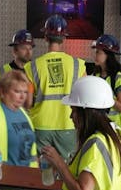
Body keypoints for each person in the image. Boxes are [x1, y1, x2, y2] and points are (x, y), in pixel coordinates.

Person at [28, 14, 84, 160]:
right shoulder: (78, 64)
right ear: (64, 38)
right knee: (66, 171)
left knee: (41, 172)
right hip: (68, 124)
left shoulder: (32, 66)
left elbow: (27, 103)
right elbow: (84, 97)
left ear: (45, 38)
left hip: (40, 125)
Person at [91, 34, 121, 144]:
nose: (96, 55)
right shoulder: (95, 75)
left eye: (98, 52)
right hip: (100, 130)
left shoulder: (118, 77)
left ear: (108, 55)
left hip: (117, 133)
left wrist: (104, 95)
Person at [0, 30, 35, 97]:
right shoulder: (2, 72)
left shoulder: (36, 71)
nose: (28, 52)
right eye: (24, 48)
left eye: (30, 48)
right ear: (15, 51)